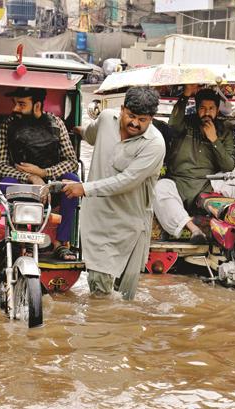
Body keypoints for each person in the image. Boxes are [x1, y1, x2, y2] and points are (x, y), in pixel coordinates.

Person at [64, 86, 165, 300]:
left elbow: (127, 181)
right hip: (98, 222)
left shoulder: (155, 145)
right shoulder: (106, 119)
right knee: (100, 293)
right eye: (131, 116)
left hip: (130, 225)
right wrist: (72, 130)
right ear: (122, 109)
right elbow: (90, 134)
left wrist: (85, 188)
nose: (135, 123)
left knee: (126, 298)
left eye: (143, 119)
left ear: (152, 119)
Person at [0, 87, 80, 261]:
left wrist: (44, 174)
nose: (15, 109)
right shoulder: (7, 125)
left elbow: (72, 162)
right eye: (15, 104)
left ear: (37, 106)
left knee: (73, 181)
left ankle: (61, 243)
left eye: (21, 104)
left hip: (51, 185)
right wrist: (32, 177)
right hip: (22, 183)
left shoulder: (56, 124)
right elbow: (2, 166)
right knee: (4, 182)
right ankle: (19, 242)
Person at [152, 84, 234, 244]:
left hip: (207, 186)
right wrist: (186, 94)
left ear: (217, 110)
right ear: (196, 108)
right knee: (159, 188)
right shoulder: (186, 124)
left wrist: (214, 140)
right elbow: (173, 125)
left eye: (211, 108)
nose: (207, 113)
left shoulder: (224, 131)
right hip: (178, 183)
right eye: (202, 108)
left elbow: (228, 166)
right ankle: (194, 230)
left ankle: (225, 229)